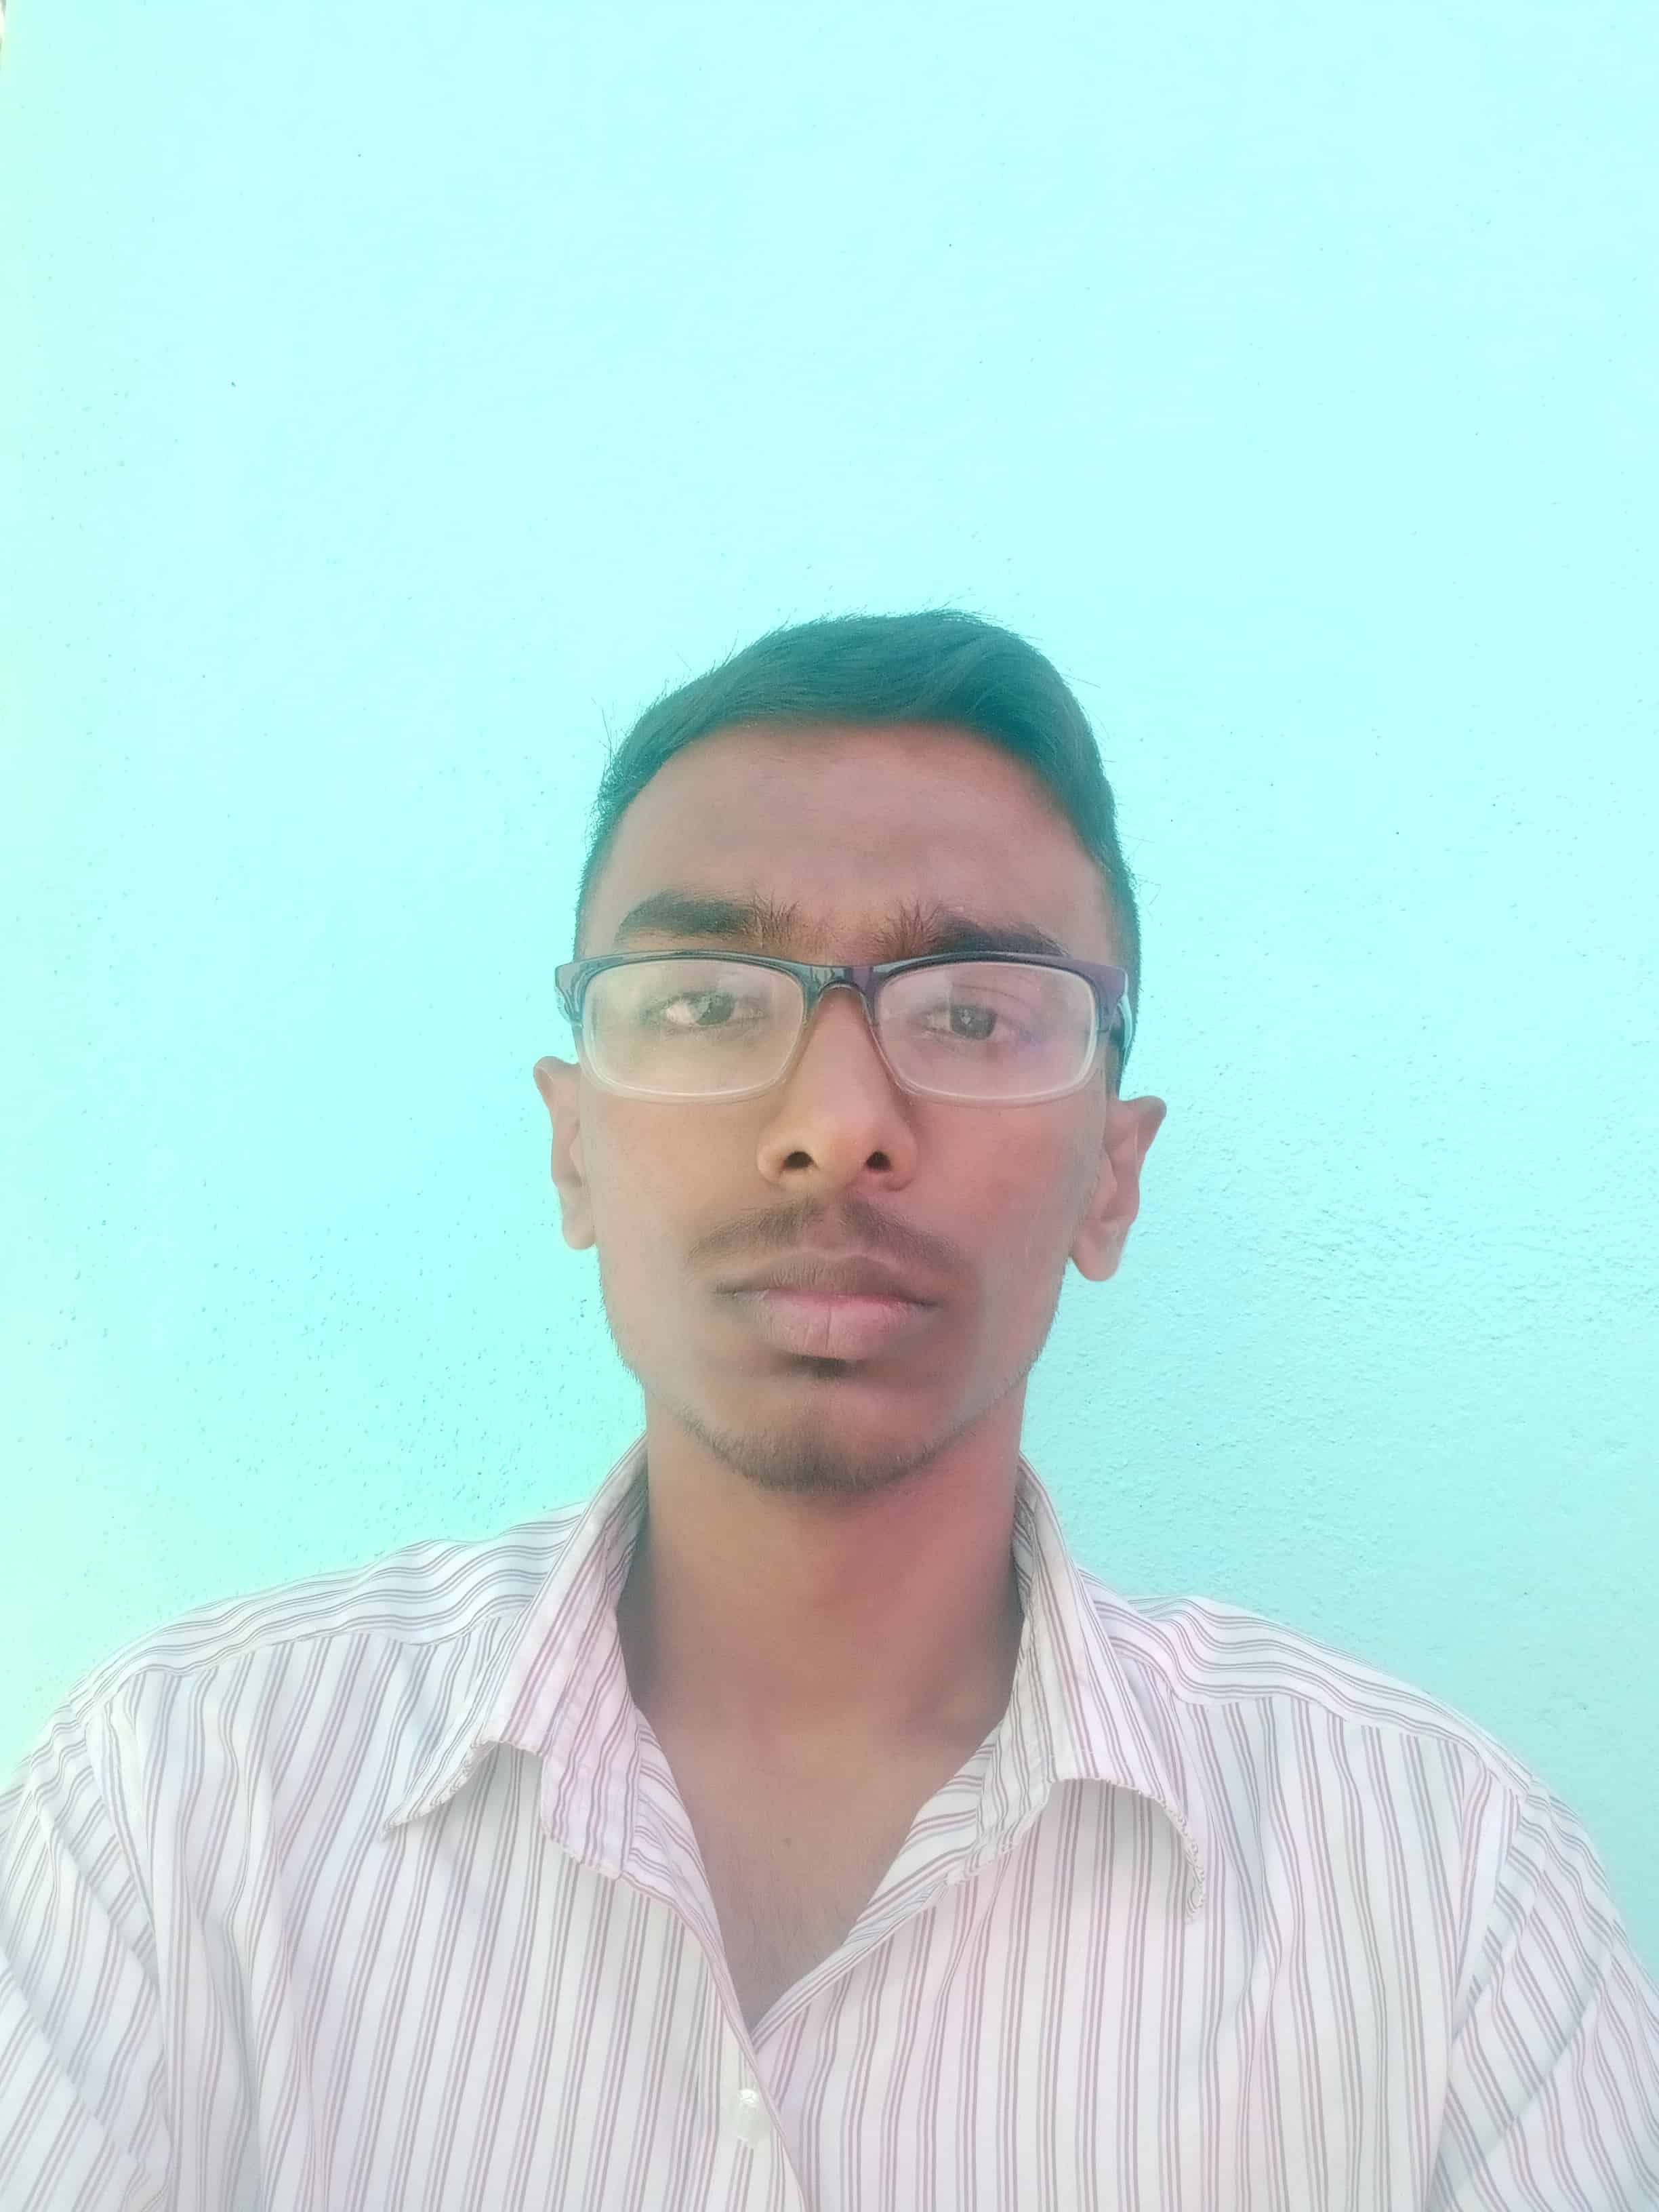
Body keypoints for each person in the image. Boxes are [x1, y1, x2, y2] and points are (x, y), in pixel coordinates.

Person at [2, 609, 1655, 2209]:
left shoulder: (1449, 1893)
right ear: (574, 1149)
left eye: (974, 1013)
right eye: (707, 1000)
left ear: (1112, 1176)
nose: (839, 1122)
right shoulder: (171, 1813)